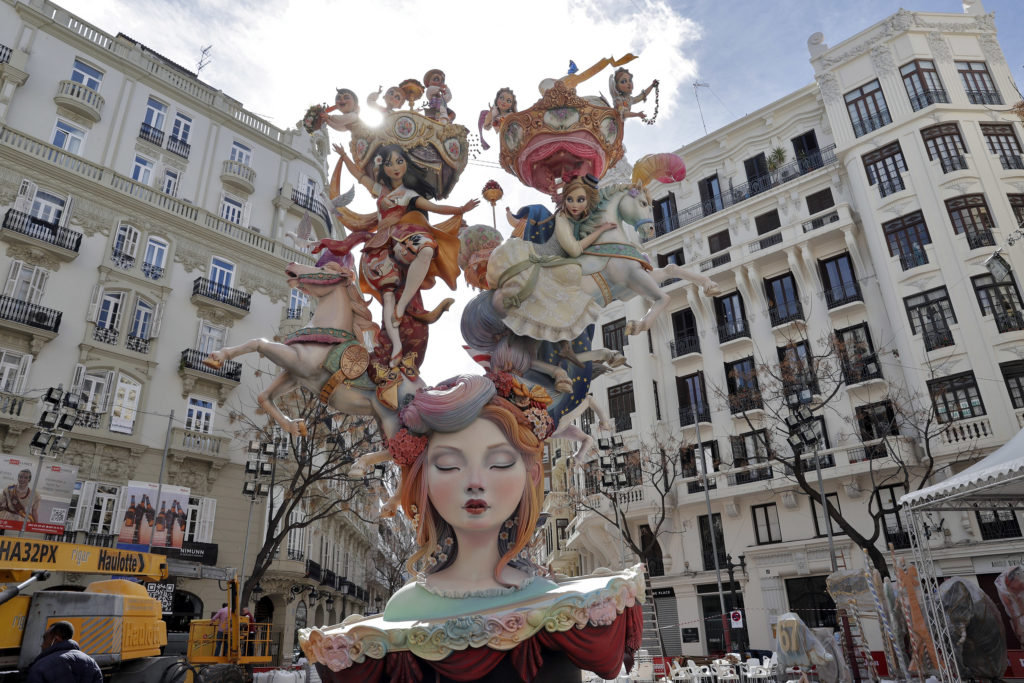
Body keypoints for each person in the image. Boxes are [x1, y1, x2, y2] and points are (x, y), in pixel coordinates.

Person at [298, 374, 644, 681]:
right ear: (422, 479)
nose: (475, 482)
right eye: (448, 465)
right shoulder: (405, 607)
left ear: (531, 474)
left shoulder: (555, 601)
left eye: (500, 462)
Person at [327, 143, 478, 363]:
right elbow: (359, 176)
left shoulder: (409, 194)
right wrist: (343, 156)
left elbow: (434, 208)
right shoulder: (380, 190)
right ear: (384, 168)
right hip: (379, 245)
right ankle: (396, 347)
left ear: (406, 164)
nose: (395, 167)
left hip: (402, 237)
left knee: (426, 249)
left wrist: (460, 209)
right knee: (387, 295)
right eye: (389, 163)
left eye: (399, 161)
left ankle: (403, 303)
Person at [26, 621, 102, 682]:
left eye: (45, 639)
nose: (42, 645)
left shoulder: (41, 667)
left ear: (55, 639)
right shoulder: (91, 662)